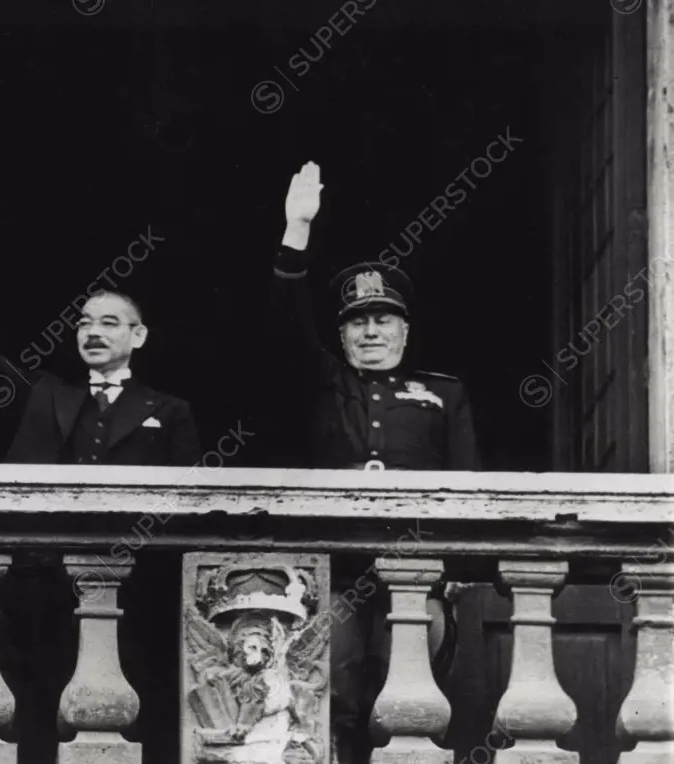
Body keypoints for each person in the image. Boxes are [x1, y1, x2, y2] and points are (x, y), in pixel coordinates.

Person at [269, 161, 480, 763]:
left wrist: (458, 570)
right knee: (334, 695)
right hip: (336, 567)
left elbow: (467, 481)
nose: (370, 331)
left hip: (418, 568)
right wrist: (296, 231)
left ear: (404, 331)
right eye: (356, 322)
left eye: (382, 319)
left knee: (409, 700)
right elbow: (285, 325)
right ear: (341, 337)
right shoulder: (323, 381)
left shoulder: (444, 391)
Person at [0, 239, 201, 466]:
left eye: (109, 323)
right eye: (84, 323)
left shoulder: (171, 411)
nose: (93, 332)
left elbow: (190, 501)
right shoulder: (44, 391)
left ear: (138, 335)